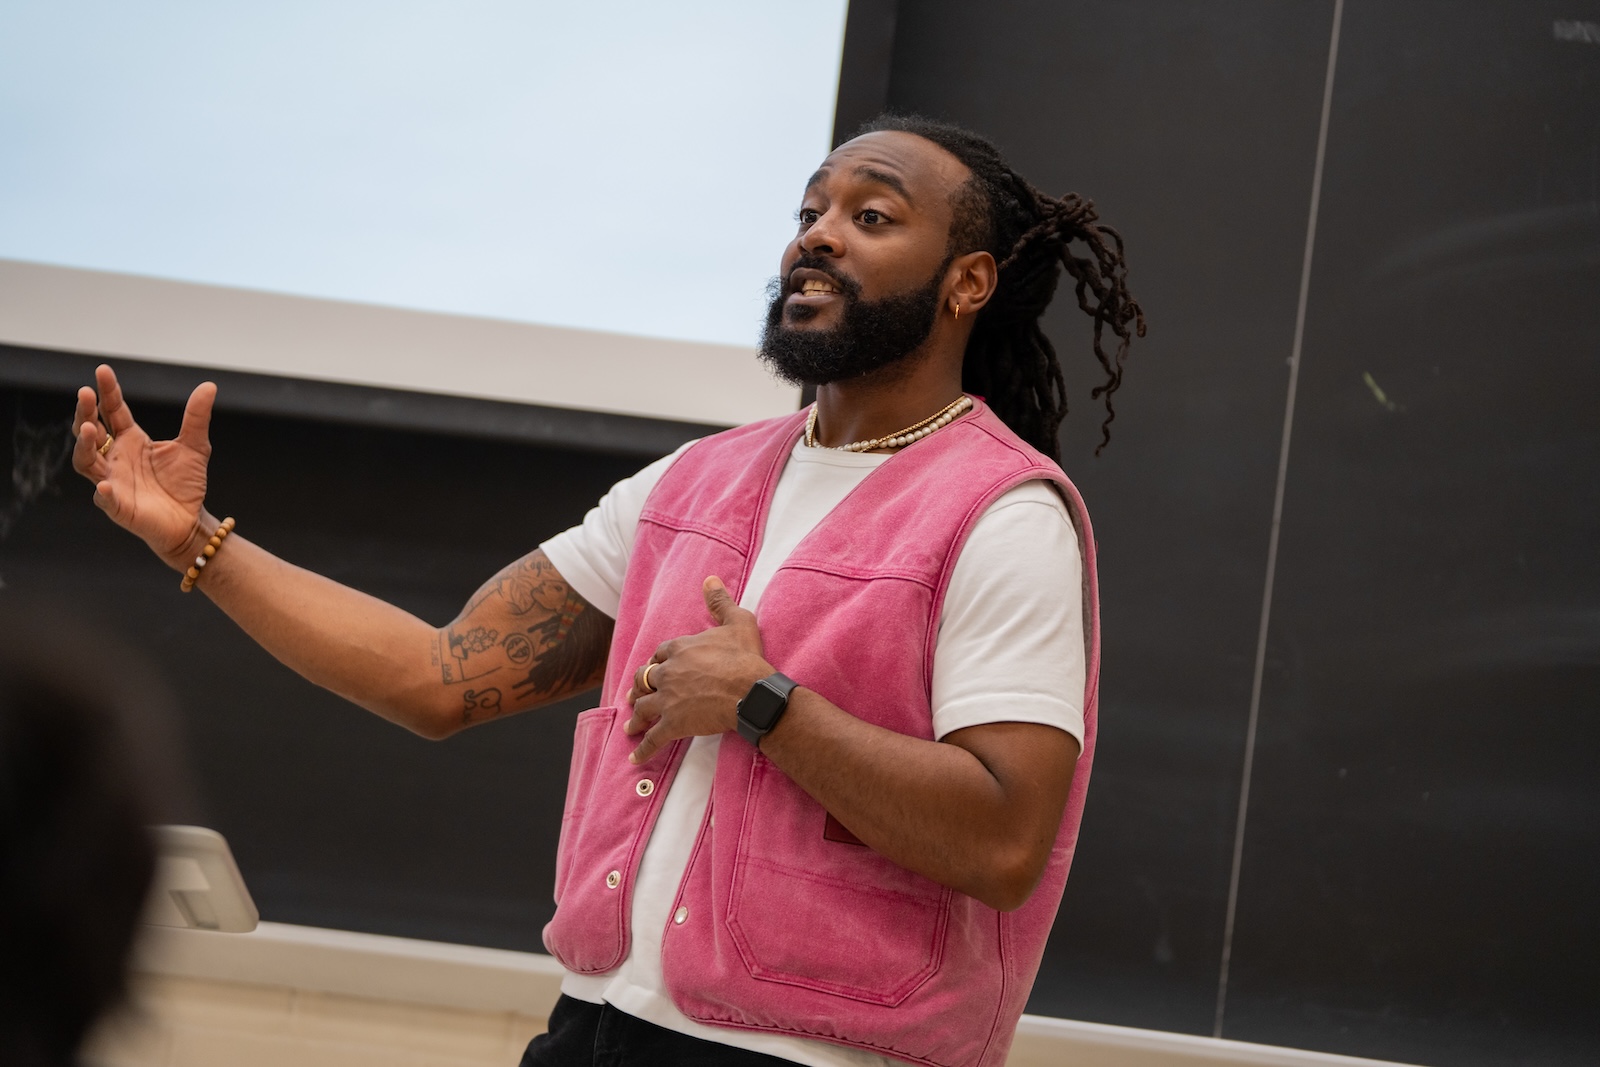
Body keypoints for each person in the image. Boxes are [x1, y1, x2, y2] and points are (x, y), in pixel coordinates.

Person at [69, 115, 1143, 1067]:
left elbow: (1005, 840)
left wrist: (767, 703)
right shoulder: (691, 483)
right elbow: (437, 676)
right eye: (810, 209)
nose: (817, 234)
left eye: (871, 215)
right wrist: (194, 542)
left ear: (966, 282)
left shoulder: (1003, 516)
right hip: (595, 1028)